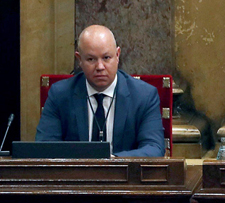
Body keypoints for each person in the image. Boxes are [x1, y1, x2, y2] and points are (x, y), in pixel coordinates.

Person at [35, 26, 166, 158]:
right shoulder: (60, 95)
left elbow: (154, 148)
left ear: (117, 55)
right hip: (75, 176)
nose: (100, 67)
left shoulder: (144, 96)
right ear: (79, 59)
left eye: (106, 58)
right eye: (91, 59)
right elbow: (45, 147)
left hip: (125, 176)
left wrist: (112, 162)